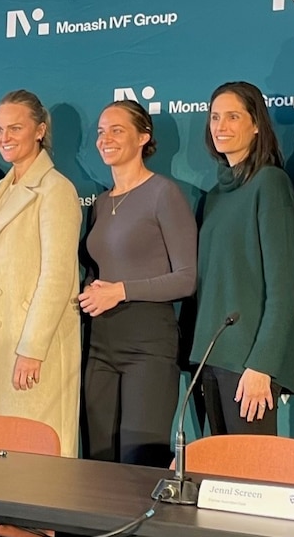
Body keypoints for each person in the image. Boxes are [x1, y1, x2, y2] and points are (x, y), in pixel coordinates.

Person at [0, 89, 82, 458]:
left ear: (40, 130)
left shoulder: (55, 190)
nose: (4, 138)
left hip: (30, 350)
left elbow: (57, 276)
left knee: (34, 460)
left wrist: (32, 349)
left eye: (15, 128)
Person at [80, 100, 196, 466]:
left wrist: (121, 290)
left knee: (138, 466)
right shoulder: (99, 203)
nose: (105, 139)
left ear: (143, 137)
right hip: (101, 345)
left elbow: (186, 279)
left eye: (117, 130)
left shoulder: (164, 193)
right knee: (98, 462)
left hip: (148, 348)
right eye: (101, 131)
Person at [191, 81, 294, 436]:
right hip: (211, 357)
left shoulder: (270, 183)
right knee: (217, 477)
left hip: (248, 363)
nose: (220, 126)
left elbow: (282, 288)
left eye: (233, 116)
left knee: (250, 483)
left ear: (256, 125)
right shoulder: (214, 196)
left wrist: (262, 364)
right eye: (215, 117)